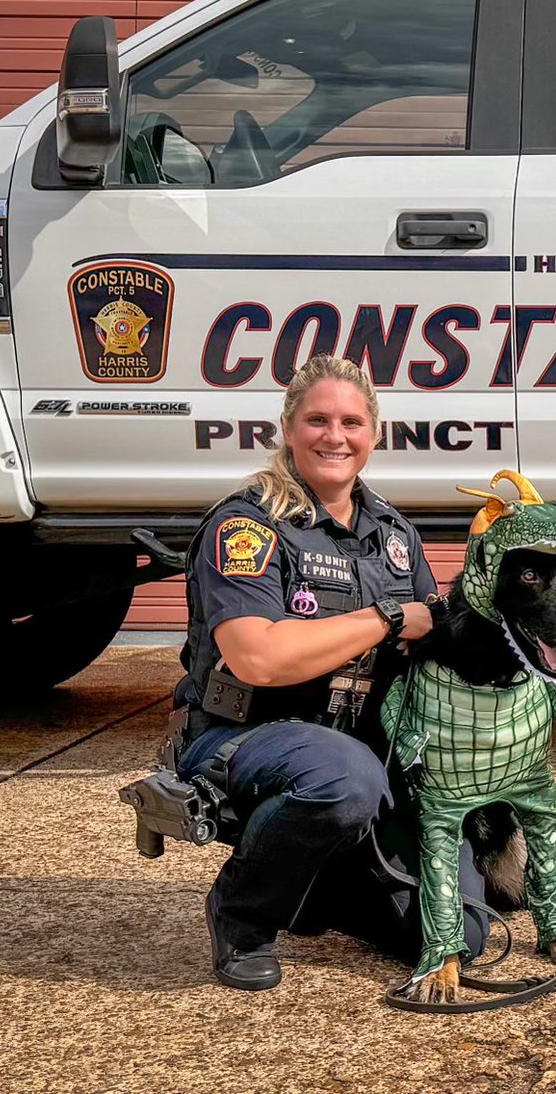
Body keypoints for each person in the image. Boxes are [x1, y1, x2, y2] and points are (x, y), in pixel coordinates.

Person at [172, 354, 488, 990]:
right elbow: (256, 656)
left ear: (374, 434)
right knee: (343, 776)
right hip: (246, 737)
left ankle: (316, 885)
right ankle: (243, 912)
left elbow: (434, 638)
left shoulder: (392, 533)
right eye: (317, 420)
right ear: (288, 428)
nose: (334, 437)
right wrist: (389, 617)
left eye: (351, 422)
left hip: (365, 751)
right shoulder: (249, 524)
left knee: (464, 932)